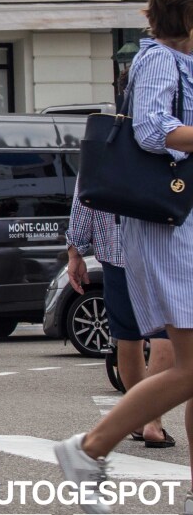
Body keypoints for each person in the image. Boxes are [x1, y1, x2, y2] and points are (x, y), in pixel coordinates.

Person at [54, 0, 193, 515]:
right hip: (169, 226)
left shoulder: (183, 60)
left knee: (190, 364)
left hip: (183, 223)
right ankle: (86, 449)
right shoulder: (158, 59)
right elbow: (150, 130)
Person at [65, 179, 175, 447]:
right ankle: (152, 421)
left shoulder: (103, 139)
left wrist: (74, 251)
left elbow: (84, 195)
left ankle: (138, 421)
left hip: (115, 252)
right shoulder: (165, 136)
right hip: (161, 249)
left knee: (127, 337)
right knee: (166, 336)